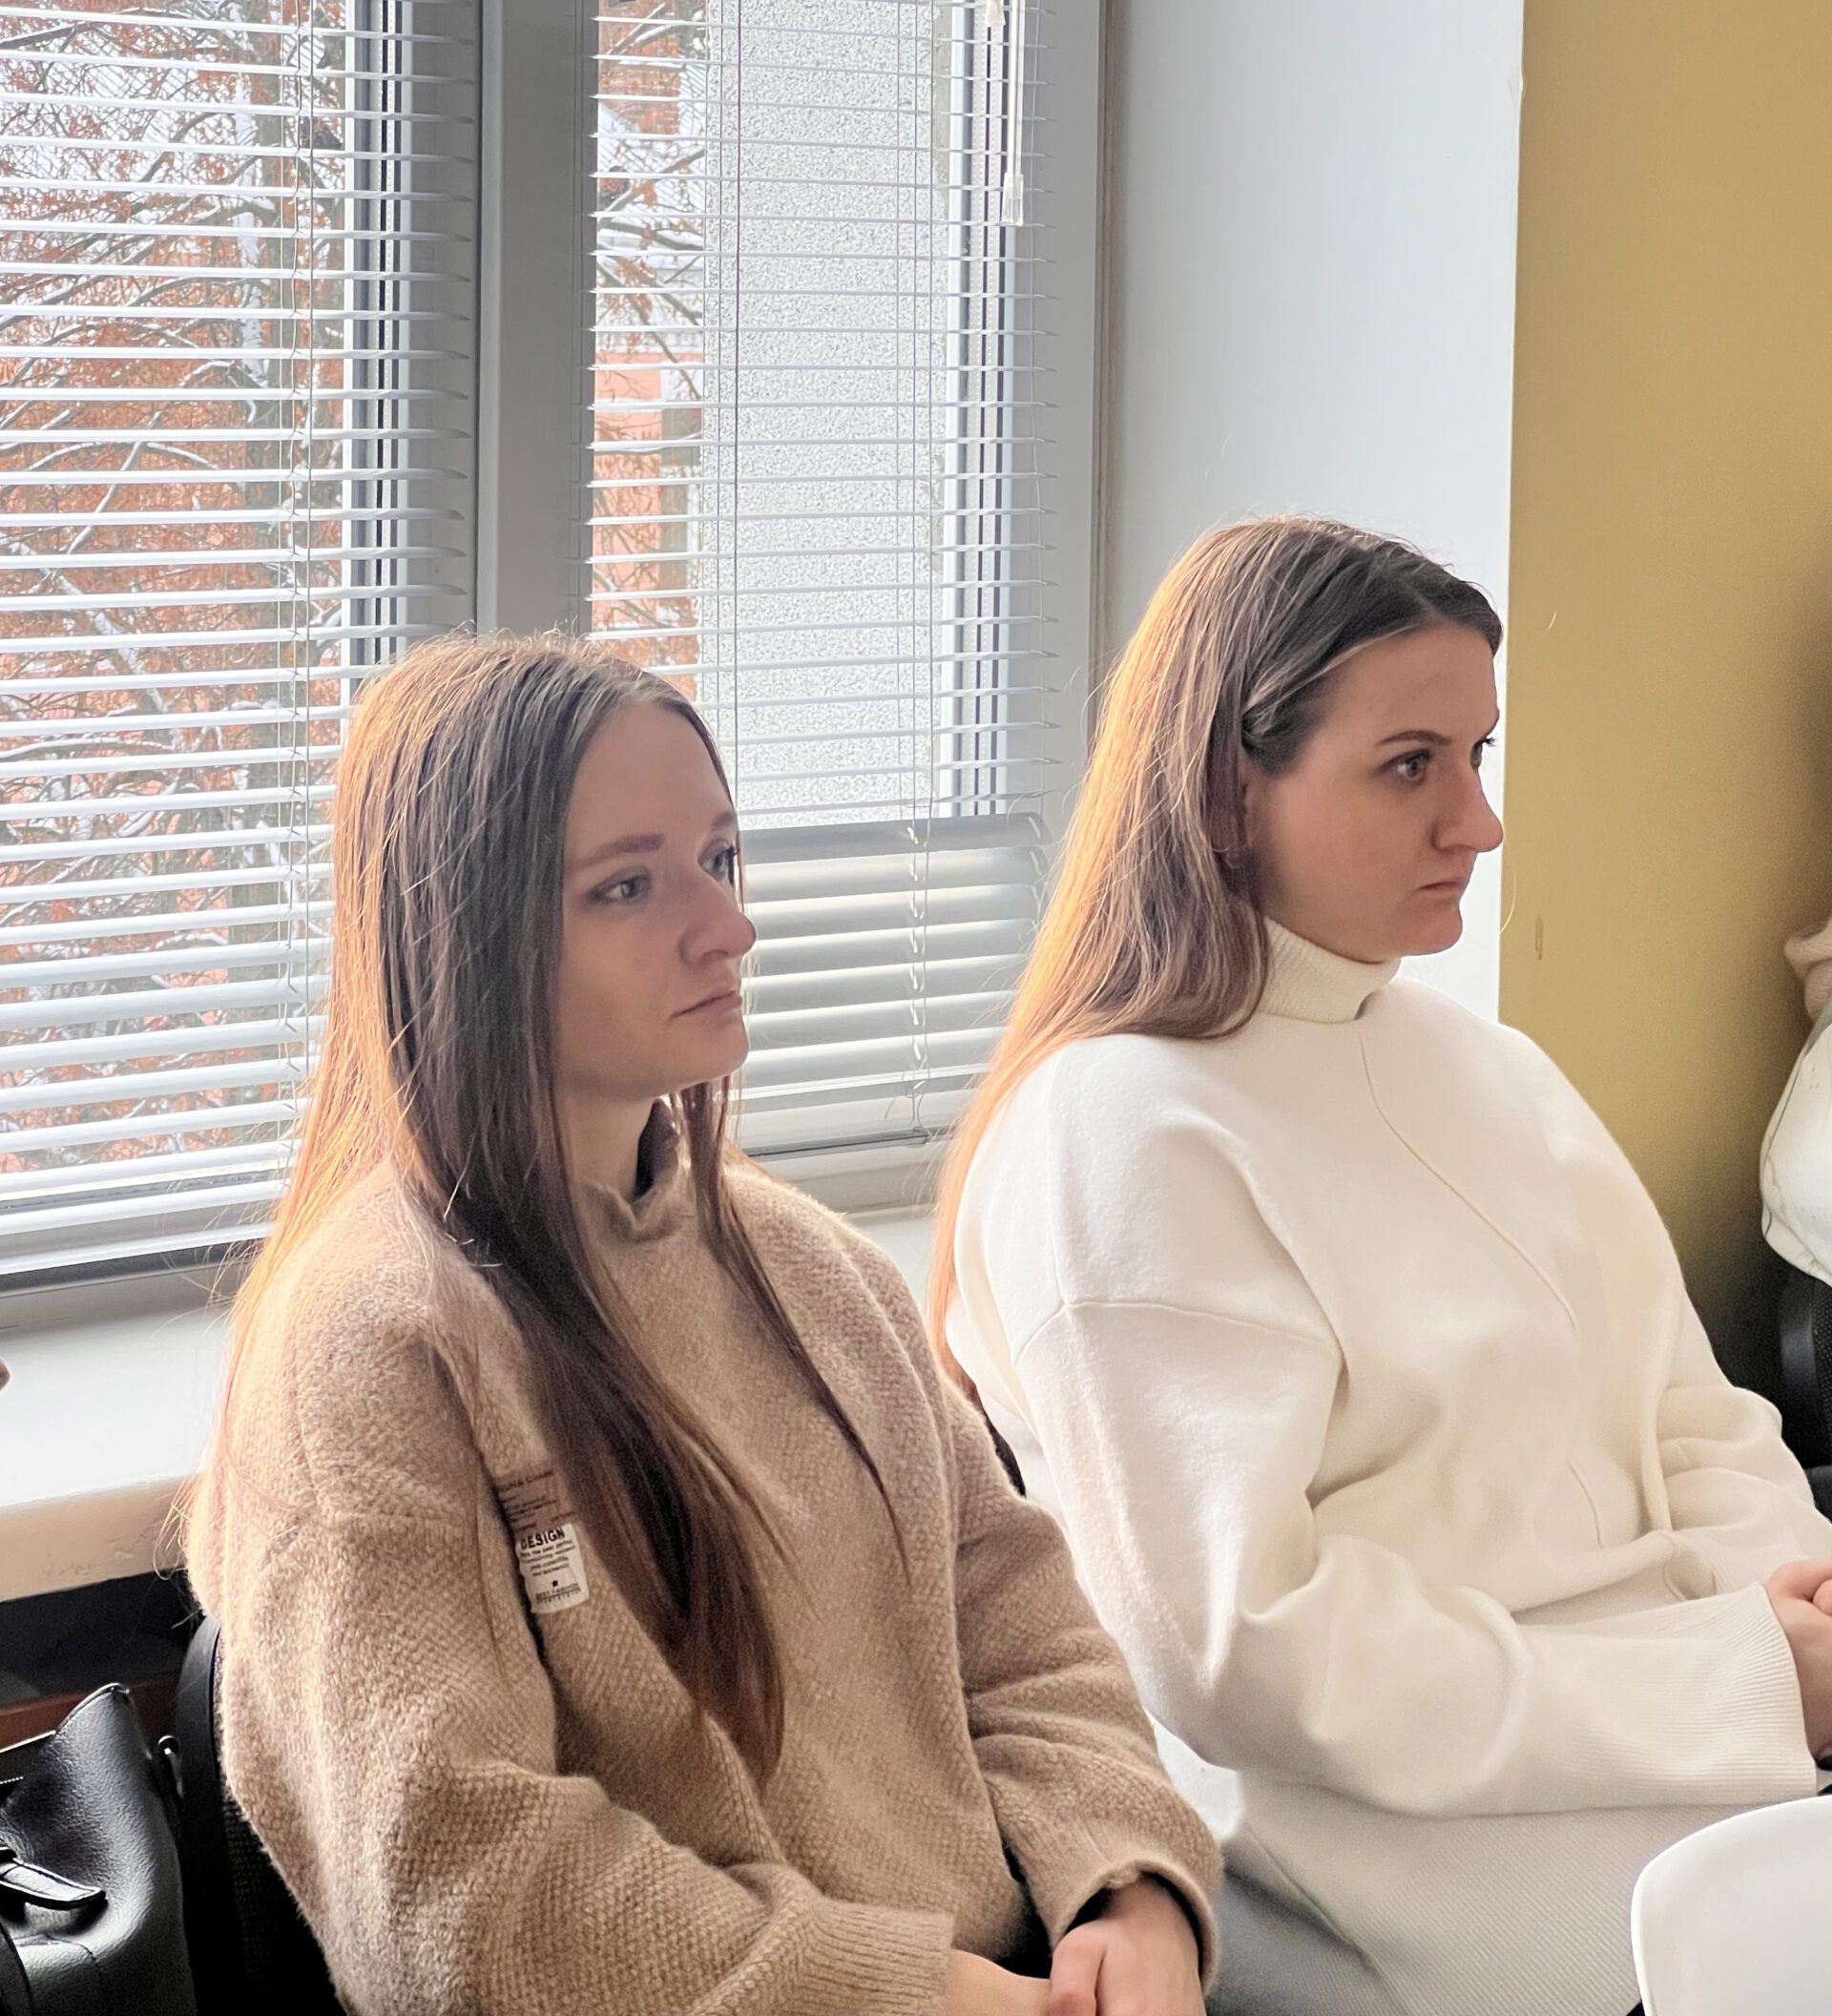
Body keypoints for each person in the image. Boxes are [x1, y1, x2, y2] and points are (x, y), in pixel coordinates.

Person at [186, 635, 1218, 2016]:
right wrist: (918, 1995)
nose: (726, 927)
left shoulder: (815, 1270)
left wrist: (1130, 1892)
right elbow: (460, 1886)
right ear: (467, 938)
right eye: (627, 885)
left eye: (720, 860)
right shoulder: (371, 1343)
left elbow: (1023, 1629)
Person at [933, 517, 1832, 2016]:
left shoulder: (1491, 1067)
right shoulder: (1119, 1133)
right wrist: (1743, 1683)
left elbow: (1696, 1418)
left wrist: (1796, 1621)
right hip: (1411, 1882)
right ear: (1228, 794)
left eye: (1477, 756)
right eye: (1411, 766)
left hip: (1703, 1770)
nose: (1479, 823)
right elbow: (1247, 1654)